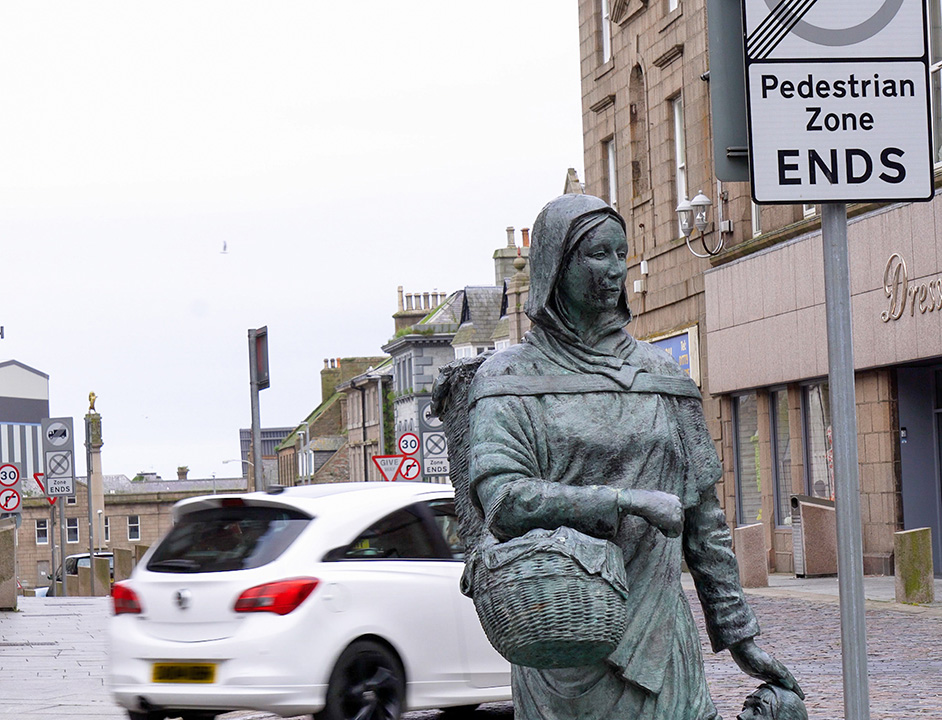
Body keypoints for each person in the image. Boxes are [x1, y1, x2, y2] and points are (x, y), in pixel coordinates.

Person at [464, 194, 802, 720]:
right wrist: (627, 501)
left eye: (621, 254)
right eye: (598, 254)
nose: (615, 270)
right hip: (567, 641)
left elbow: (705, 525)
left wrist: (741, 638)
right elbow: (505, 501)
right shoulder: (509, 380)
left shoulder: (660, 376)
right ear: (558, 264)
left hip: (663, 636)